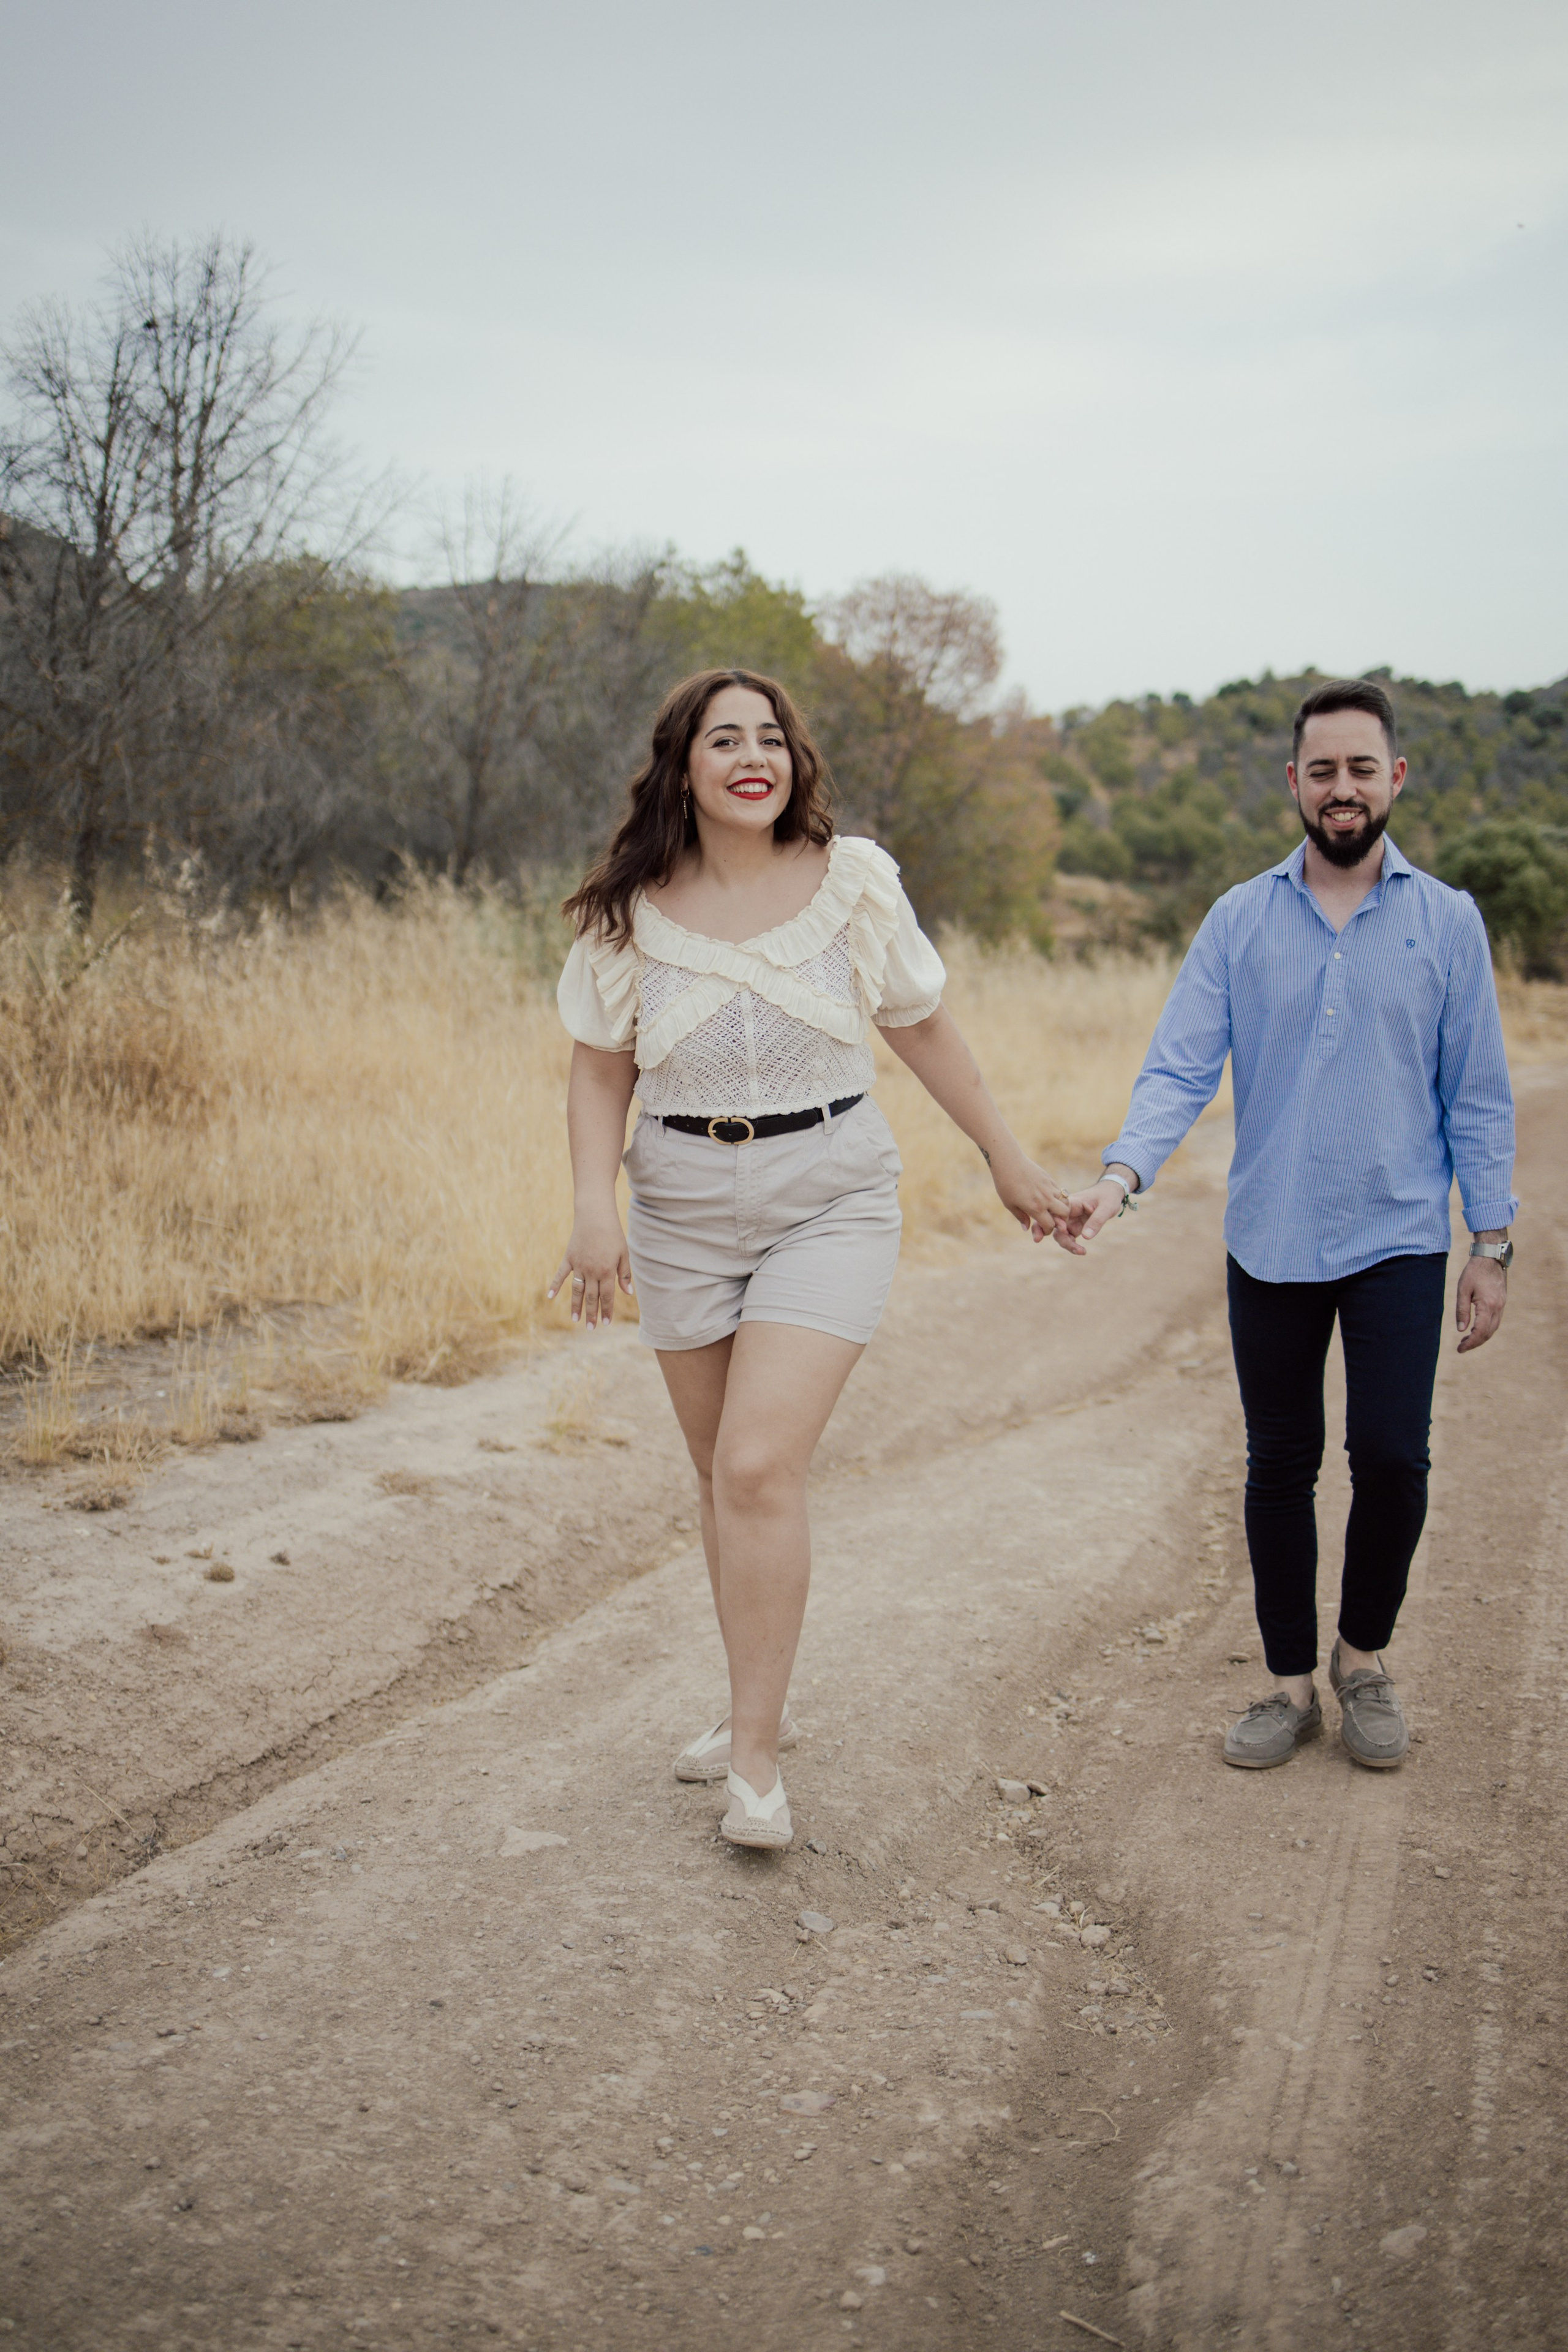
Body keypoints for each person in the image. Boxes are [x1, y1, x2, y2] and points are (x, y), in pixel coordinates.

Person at [549, 668, 1069, 1849]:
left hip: (829, 1195)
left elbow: (924, 1026)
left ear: (795, 761)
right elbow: (597, 1067)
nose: (752, 756)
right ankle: (746, 1705)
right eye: (724, 739)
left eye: (770, 738)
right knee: (716, 1474)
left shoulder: (854, 884)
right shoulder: (630, 906)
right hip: (678, 1204)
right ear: (682, 764)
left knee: (757, 1466)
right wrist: (594, 1208)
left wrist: (1009, 1162)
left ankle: (757, 1766)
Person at [1057, 677, 1516, 1770]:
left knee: (1394, 1458)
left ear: (1394, 777)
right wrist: (1119, 1180)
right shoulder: (1239, 918)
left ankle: (1362, 1662)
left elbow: (1481, 1095)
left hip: (1401, 1236)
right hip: (1269, 1237)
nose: (1343, 788)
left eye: (1362, 768)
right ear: (1295, 784)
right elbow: (1178, 1068)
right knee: (1280, 1464)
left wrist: (1489, 1244)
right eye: (1323, 770)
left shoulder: (1448, 921)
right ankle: (1287, 1684)